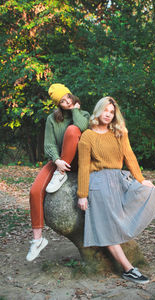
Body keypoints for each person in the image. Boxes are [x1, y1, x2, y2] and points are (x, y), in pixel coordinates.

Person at [77, 96, 155, 284]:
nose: (108, 115)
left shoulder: (119, 133)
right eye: (105, 110)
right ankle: (129, 269)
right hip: (98, 183)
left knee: (149, 193)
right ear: (98, 111)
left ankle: (128, 264)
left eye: (112, 112)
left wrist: (141, 179)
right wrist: (82, 195)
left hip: (118, 180)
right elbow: (84, 166)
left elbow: (130, 156)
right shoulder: (87, 136)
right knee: (107, 226)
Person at [26, 83, 90, 262]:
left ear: (71, 95)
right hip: (59, 161)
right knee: (35, 191)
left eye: (68, 97)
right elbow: (49, 144)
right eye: (62, 101)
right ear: (58, 104)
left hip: (79, 160)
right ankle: (38, 240)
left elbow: (84, 128)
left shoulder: (83, 114)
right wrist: (57, 161)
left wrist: (76, 111)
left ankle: (61, 174)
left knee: (72, 129)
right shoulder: (52, 119)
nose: (67, 102)